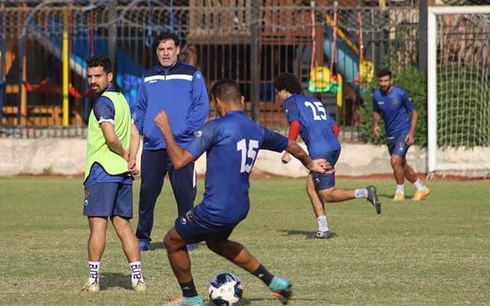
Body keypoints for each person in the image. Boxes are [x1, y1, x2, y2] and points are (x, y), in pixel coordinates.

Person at [155, 79, 334, 306]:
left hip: (215, 208)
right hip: (239, 207)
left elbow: (180, 162)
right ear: (241, 100)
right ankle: (273, 282)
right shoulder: (256, 129)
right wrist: (310, 164)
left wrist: (165, 129)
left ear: (217, 102)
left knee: (172, 241)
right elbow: (291, 145)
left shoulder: (216, 127)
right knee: (216, 242)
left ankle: (191, 298)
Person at [273, 73, 381, 239]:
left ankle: (365, 192)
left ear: (285, 91)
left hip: (320, 150)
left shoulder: (290, 102)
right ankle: (323, 229)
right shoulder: (313, 101)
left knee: (327, 194)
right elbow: (335, 127)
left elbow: (294, 125)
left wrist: (288, 150)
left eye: (277, 92)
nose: (277, 96)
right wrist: (329, 145)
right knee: (311, 186)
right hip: (333, 146)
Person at [134, 32, 210, 252]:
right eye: (161, 50)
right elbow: (140, 107)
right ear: (157, 52)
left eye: (169, 49)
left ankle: (188, 236)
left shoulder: (191, 74)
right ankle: (143, 237)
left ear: (177, 50)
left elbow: (201, 107)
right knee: (147, 194)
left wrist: (183, 130)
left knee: (185, 195)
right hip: (153, 146)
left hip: (182, 146)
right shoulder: (148, 76)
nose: (165, 53)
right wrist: (144, 129)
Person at [81, 56, 146, 293]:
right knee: (124, 227)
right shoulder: (122, 100)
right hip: (122, 174)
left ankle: (93, 280)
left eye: (98, 76)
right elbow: (135, 132)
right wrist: (131, 158)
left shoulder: (102, 103)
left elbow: (110, 137)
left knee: (98, 228)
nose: (93, 81)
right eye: (90, 76)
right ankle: (138, 279)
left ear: (109, 76)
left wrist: (124, 152)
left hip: (102, 172)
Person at [373, 68, 431, 201]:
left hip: (403, 132)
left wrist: (411, 133)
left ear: (391, 80)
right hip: (390, 135)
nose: (383, 84)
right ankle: (422, 188)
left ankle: (400, 192)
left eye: (386, 81)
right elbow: (376, 111)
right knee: (400, 165)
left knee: (395, 160)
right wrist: (376, 124)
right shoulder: (376, 95)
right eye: (381, 81)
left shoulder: (400, 94)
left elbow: (414, 112)